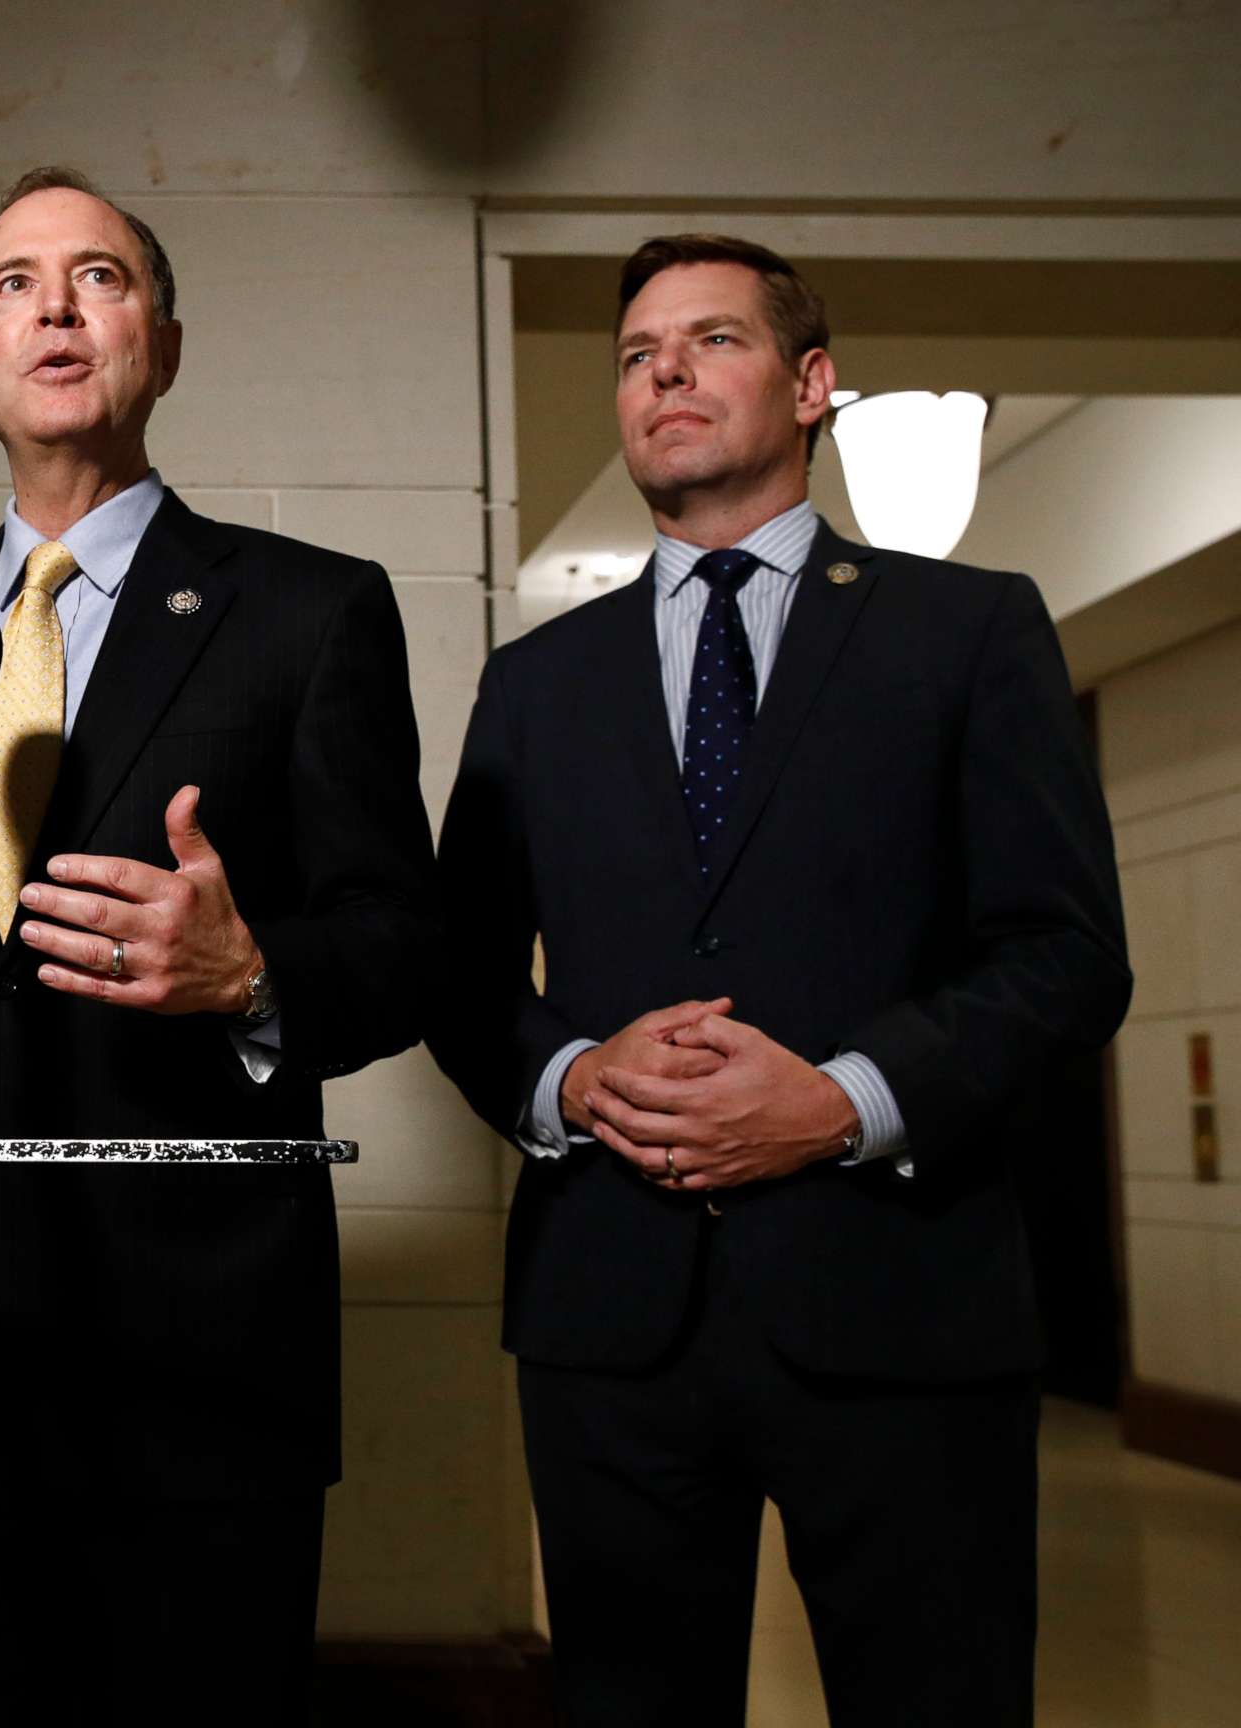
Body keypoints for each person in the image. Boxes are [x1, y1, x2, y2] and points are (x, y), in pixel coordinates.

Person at [0, 167, 440, 1724]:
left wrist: (247, 977)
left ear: (161, 345)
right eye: (10, 283)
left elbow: (402, 943)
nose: (54, 304)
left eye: (97, 277)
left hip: (196, 1368)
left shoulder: (310, 614)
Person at [427, 235, 1132, 1725]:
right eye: (635, 354)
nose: (664, 371)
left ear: (813, 385)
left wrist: (844, 1101)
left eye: (711, 340)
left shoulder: (969, 631)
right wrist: (572, 1077)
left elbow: (1067, 956)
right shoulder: (536, 683)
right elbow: (461, 975)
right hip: (611, 1320)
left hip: (904, 1309)